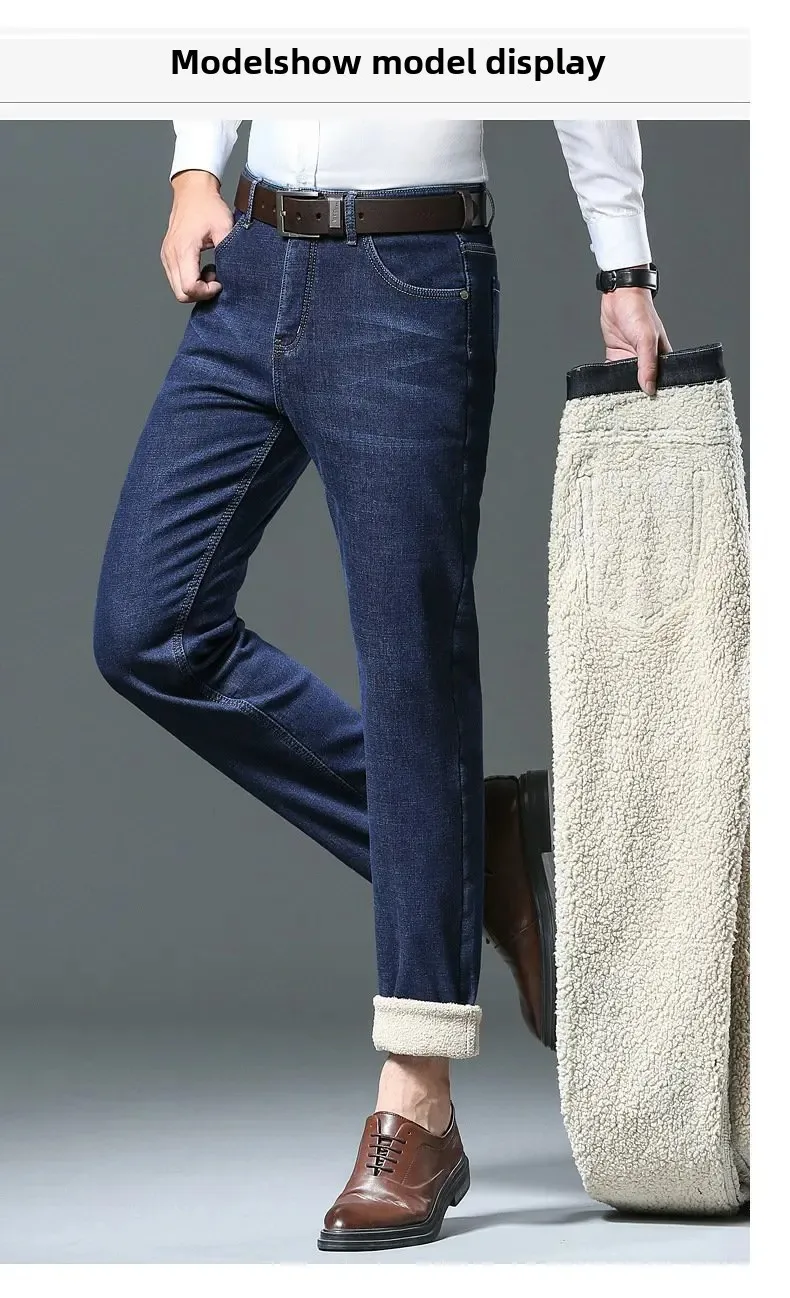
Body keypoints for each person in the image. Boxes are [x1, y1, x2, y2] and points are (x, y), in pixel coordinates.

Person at [93, 118, 671, 1252]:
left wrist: (624, 267)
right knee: (148, 627)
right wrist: (195, 167)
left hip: (411, 274)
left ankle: (419, 1105)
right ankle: (480, 837)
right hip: (252, 260)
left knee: (413, 672)